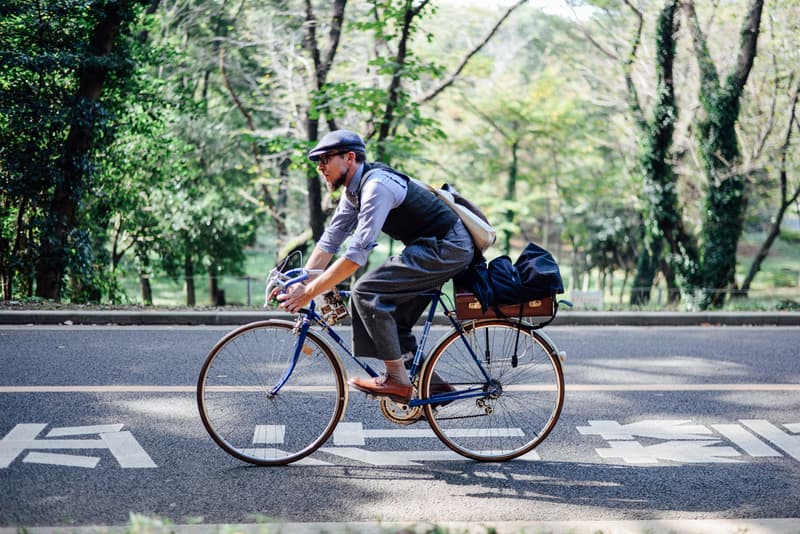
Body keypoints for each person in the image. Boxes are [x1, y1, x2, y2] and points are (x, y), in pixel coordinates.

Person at [276, 129, 474, 403]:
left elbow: (355, 257)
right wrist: (301, 280)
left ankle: (397, 381)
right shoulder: (353, 193)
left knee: (365, 291)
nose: (320, 168)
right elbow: (330, 241)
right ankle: (435, 388)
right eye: (317, 162)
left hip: (447, 247)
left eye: (324, 159)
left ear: (350, 158)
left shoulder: (375, 187)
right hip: (430, 247)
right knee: (393, 319)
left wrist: (309, 293)